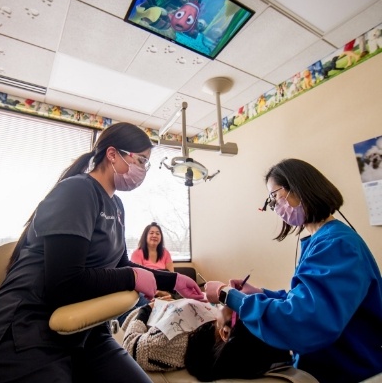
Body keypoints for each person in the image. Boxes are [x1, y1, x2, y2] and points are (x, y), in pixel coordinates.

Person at [0, 122, 203, 383]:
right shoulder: (77, 191)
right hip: (26, 333)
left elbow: (121, 264)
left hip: (87, 333)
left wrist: (174, 280)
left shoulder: (117, 207)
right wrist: (131, 278)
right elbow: (65, 285)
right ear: (112, 155)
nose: (143, 170)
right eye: (141, 161)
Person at [205, 158, 382, 383]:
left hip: (351, 371)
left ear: (299, 187)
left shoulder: (337, 245)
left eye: (274, 197)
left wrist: (226, 295)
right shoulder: (321, 241)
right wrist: (259, 293)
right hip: (328, 365)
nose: (275, 207)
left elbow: (303, 321)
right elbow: (305, 299)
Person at [121, 297, 292, 380]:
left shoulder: (174, 342)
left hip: (135, 318)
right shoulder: (218, 324)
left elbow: (131, 345)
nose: (237, 299)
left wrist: (146, 309)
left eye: (237, 305)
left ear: (225, 333)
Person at [118, 222, 174, 326]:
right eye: (151, 233)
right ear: (145, 236)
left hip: (164, 288)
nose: (154, 235)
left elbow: (171, 275)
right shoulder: (137, 253)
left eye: (157, 233)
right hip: (145, 291)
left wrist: (165, 291)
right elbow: (137, 280)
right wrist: (157, 292)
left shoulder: (165, 253)